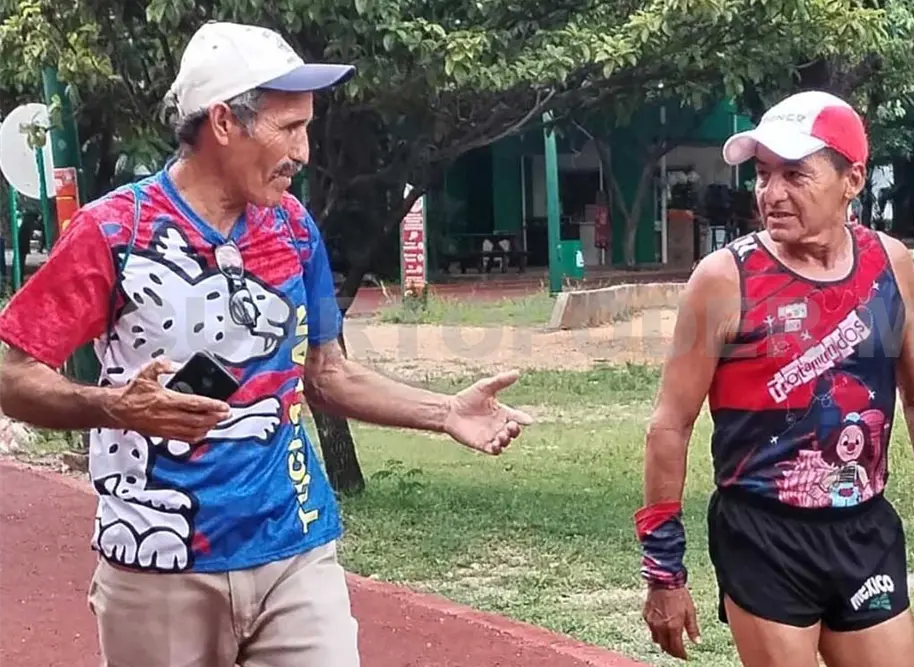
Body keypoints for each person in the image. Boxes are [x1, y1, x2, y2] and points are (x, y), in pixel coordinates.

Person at [0, 21, 532, 667]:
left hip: (294, 546)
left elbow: (327, 374)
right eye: (289, 128)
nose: (304, 151)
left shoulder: (292, 227)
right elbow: (12, 373)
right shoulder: (113, 230)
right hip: (159, 558)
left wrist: (443, 411)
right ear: (223, 123)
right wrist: (114, 407)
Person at [634, 90, 914, 667]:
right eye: (764, 175)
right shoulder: (724, 279)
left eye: (795, 174)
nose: (771, 193)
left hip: (862, 528)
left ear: (853, 179)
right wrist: (664, 570)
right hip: (763, 534)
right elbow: (670, 424)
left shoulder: (887, 263)